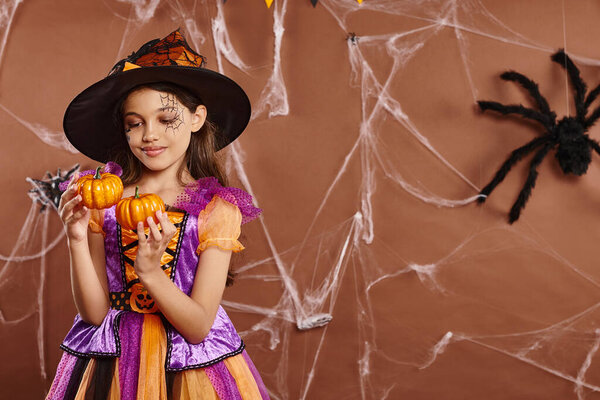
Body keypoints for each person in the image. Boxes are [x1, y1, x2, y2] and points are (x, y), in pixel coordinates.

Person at [45, 29, 269, 399]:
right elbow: (94, 314)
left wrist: (150, 273)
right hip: (110, 360)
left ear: (197, 118)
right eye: (135, 123)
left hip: (188, 367)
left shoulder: (215, 209)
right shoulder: (106, 201)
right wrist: (76, 239)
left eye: (166, 119)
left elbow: (198, 328)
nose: (150, 135)